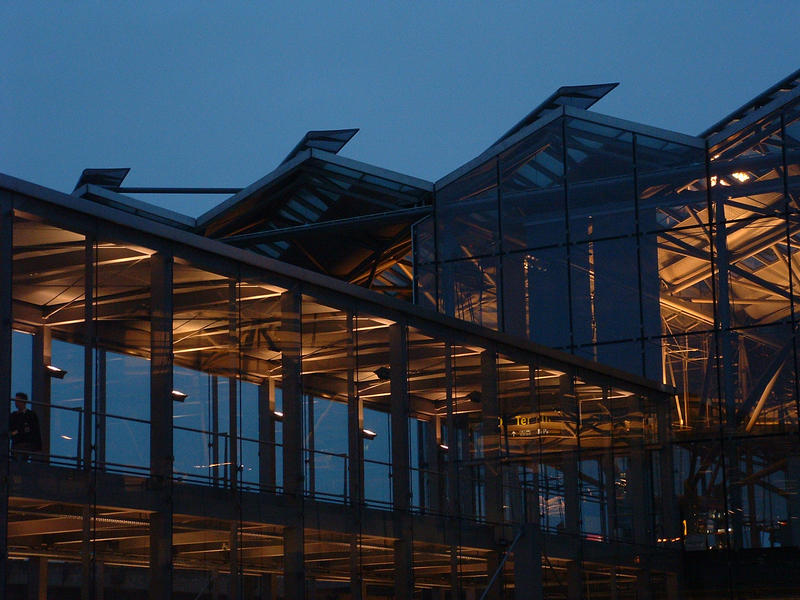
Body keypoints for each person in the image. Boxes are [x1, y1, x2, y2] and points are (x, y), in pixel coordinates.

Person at [9, 392, 42, 461]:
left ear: (23, 402)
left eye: (18, 401)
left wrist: (16, 432)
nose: (16, 403)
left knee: (20, 460)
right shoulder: (14, 415)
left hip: (25, 443)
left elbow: (32, 429)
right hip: (17, 443)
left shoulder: (30, 415)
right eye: (15, 401)